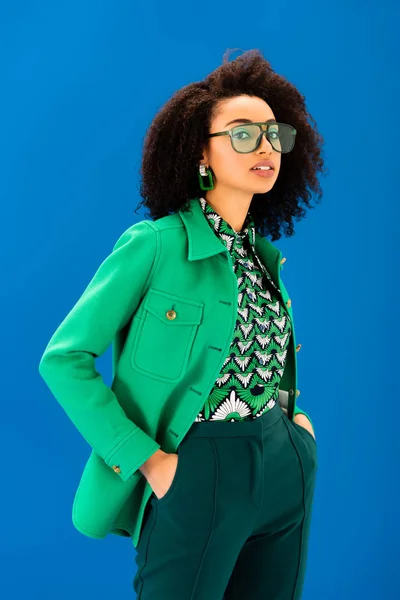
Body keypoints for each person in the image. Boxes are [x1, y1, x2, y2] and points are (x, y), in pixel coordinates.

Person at [39, 48, 327, 599]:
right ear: (200, 152)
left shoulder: (261, 258)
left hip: (282, 464)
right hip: (196, 468)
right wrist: (147, 459)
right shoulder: (155, 246)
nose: (265, 146)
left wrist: (299, 434)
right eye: (243, 134)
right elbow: (64, 359)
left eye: (274, 134)